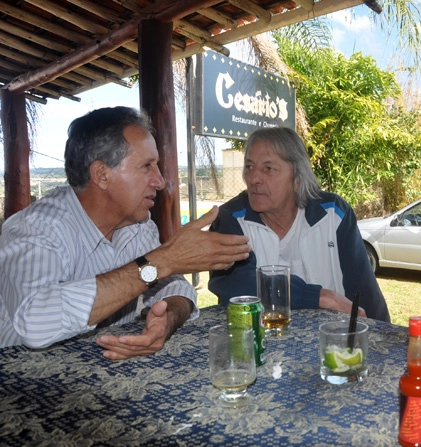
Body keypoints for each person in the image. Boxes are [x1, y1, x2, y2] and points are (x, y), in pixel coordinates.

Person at [0, 107, 252, 359]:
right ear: (101, 175)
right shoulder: (35, 228)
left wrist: (167, 320)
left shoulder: (138, 226)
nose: (160, 181)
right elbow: (36, 321)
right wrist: (164, 260)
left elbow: (174, 287)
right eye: (146, 166)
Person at [208, 127, 390, 322]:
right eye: (249, 166)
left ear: (296, 178)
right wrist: (318, 297)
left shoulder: (333, 214)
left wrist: (382, 337)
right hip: (261, 344)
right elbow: (237, 284)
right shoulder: (230, 220)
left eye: (268, 169)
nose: (253, 179)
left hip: (331, 341)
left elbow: (364, 290)